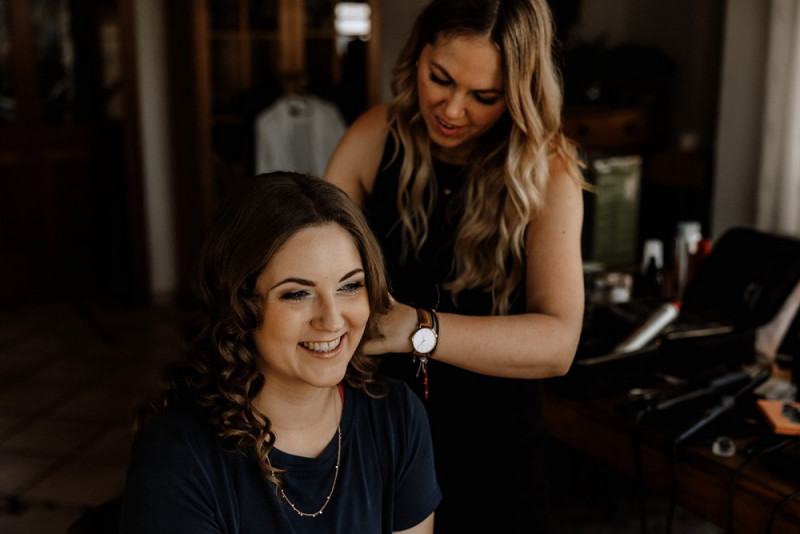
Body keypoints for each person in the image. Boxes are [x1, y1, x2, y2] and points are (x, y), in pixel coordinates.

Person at [324, 0, 586, 532]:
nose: (452, 110)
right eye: (439, 79)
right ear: (417, 55)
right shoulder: (375, 137)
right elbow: (315, 263)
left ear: (518, 94)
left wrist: (418, 329)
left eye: (484, 97)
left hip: (496, 450)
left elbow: (558, 344)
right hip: (376, 433)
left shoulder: (548, 173)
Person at [121, 172, 441, 533]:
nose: (332, 320)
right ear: (240, 305)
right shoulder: (176, 457)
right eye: (297, 293)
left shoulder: (396, 416)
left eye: (350, 286)